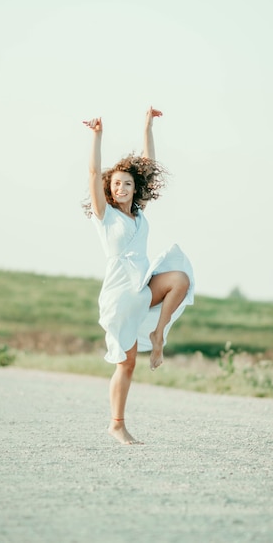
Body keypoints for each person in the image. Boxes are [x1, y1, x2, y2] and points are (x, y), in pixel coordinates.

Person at [83, 107, 194, 445]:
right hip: (119, 295)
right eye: (115, 183)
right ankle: (117, 424)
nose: (121, 188)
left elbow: (147, 167)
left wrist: (147, 127)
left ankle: (159, 334)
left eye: (127, 184)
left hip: (143, 287)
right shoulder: (105, 217)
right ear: (109, 188)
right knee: (126, 363)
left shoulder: (139, 215)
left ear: (135, 188)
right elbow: (91, 173)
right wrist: (97, 136)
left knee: (180, 279)